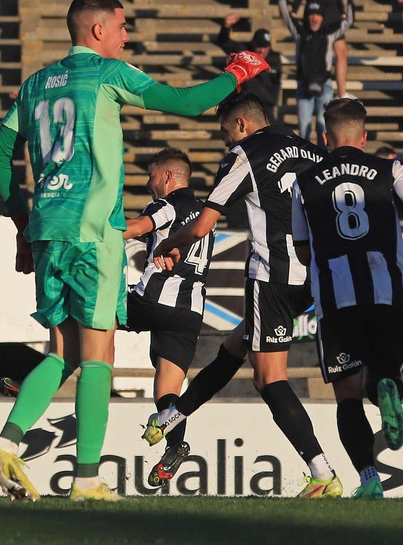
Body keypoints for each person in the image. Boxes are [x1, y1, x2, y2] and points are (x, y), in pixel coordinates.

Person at [0, 0, 271, 502]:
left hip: (48, 229)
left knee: (64, 350)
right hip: (95, 234)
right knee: (99, 356)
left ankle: (7, 442)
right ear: (97, 31)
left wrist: (22, 220)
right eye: (121, 27)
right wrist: (238, 73)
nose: (126, 36)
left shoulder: (35, 85)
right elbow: (188, 103)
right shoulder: (108, 75)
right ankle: (87, 479)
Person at [144, 94, 343, 499]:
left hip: (274, 274)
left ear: (240, 126)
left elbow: (202, 224)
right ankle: (173, 415)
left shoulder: (244, 154)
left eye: (223, 132)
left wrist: (170, 246)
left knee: (269, 377)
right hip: (317, 272)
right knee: (237, 343)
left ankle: (322, 472)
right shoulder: (311, 150)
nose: (224, 141)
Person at [290, 97, 403, 499]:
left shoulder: (303, 181)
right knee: (384, 370)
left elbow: (303, 251)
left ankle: (369, 479)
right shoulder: (389, 168)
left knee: (347, 395)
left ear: (325, 137)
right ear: (365, 135)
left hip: (337, 299)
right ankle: (388, 386)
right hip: (386, 288)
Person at [121, 148, 214, 488]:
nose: (149, 183)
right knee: (167, 394)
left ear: (168, 177)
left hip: (155, 300)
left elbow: (133, 229)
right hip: (190, 312)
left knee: (87, 318)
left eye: (151, 176)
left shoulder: (166, 205)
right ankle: (176, 446)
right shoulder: (205, 213)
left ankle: (37, 380)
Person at [275, 0, 352, 142]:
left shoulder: (329, 34)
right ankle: (305, 164)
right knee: (304, 128)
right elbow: (286, 17)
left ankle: (322, 162)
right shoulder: (300, 33)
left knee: (323, 128)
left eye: (317, 15)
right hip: (304, 84)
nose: (314, 18)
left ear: (322, 17)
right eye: (311, 14)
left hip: (324, 85)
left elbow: (348, 22)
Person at [216, 13, 285, 120]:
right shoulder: (244, 52)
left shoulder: (274, 59)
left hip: (265, 107)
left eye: (265, 46)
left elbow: (276, 83)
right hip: (244, 106)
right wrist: (226, 27)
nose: (262, 50)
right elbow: (224, 43)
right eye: (259, 46)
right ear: (253, 43)